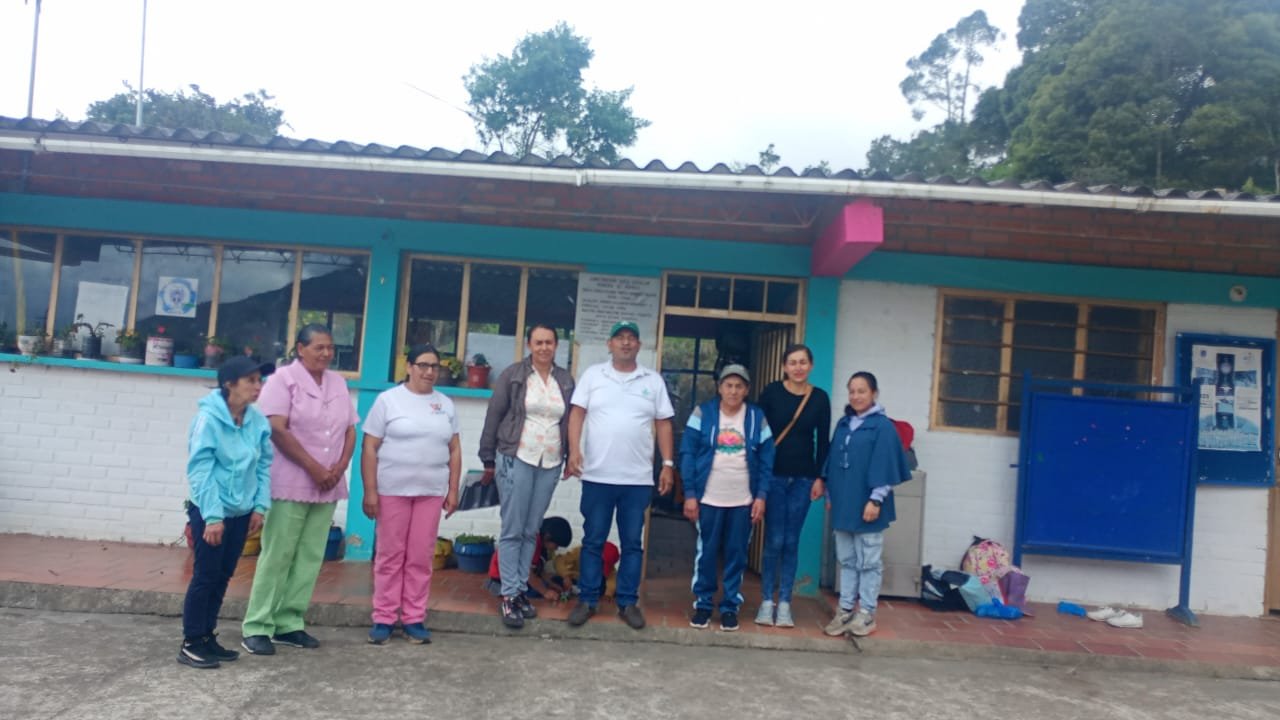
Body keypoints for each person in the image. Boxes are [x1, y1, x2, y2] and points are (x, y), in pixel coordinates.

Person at [241, 324, 358, 656]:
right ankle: (257, 625)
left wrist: (339, 467)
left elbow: (350, 429)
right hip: (291, 480)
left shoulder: (337, 382)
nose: (326, 353)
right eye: (319, 347)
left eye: (330, 347)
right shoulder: (282, 380)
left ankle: (289, 622)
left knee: (310, 555)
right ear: (300, 349)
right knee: (278, 554)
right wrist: (314, 468)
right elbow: (277, 428)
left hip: (329, 483)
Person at [566, 320, 675, 630]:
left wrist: (668, 464)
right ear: (609, 344)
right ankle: (588, 599)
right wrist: (573, 450)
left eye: (631, 338)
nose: (625, 342)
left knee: (632, 544)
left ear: (639, 345)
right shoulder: (593, 376)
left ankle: (627, 602)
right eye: (620, 338)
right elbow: (577, 414)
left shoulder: (652, 381)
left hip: (637, 480)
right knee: (593, 541)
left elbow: (664, 423)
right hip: (597, 476)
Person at [177, 356, 275, 669]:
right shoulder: (208, 419)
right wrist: (213, 517)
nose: (258, 387)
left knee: (222, 575)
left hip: (241, 512)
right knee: (205, 575)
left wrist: (259, 506)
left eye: (260, 381)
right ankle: (192, 642)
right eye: (251, 381)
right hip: (210, 512)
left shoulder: (257, 421)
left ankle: (208, 636)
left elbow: (264, 465)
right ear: (229, 384)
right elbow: (200, 470)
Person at [361, 344, 461, 645]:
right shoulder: (388, 401)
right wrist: (370, 491)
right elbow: (369, 447)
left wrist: (453, 489)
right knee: (390, 556)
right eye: (423, 365)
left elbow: (454, 449)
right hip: (392, 491)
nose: (429, 372)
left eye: (434, 366)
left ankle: (414, 618)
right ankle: (384, 617)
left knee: (420, 556)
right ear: (409, 367)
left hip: (430, 492)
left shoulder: (445, 404)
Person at [478, 324, 576, 630]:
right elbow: (494, 414)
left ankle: (519, 590)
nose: (544, 347)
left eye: (549, 342)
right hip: (516, 456)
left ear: (556, 346)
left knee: (531, 530)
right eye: (538, 342)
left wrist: (571, 455)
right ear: (529, 345)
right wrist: (488, 457)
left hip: (550, 461)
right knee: (513, 529)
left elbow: (570, 421)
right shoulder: (514, 375)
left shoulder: (564, 380)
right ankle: (508, 595)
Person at [679, 364, 774, 631]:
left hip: (743, 500)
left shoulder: (756, 417)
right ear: (719, 388)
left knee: (737, 554)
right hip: (709, 498)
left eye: (739, 386)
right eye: (728, 385)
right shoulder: (703, 413)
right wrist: (690, 494)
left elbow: (767, 458)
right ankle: (703, 604)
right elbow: (687, 453)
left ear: (746, 390)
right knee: (707, 553)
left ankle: (730, 606)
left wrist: (761, 496)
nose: (733, 391)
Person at [818, 371, 912, 638]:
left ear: (874, 393)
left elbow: (886, 464)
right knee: (847, 560)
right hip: (843, 504)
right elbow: (833, 461)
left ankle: (867, 613)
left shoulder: (882, 427)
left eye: (862, 391)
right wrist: (829, 495)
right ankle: (846, 610)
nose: (856, 396)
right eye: (852, 391)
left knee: (869, 561)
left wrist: (875, 499)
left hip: (868, 505)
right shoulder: (844, 423)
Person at [755, 343, 831, 627]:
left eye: (803, 362)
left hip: (803, 479)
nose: (798, 367)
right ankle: (766, 601)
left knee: (791, 541)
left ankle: (785, 602)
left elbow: (823, 441)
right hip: (773, 476)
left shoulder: (819, 398)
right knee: (774, 540)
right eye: (792, 362)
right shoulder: (772, 393)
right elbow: (758, 432)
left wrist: (821, 478)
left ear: (811, 366)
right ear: (784, 367)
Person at [485, 516, 574, 603]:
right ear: (547, 536)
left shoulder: (540, 543)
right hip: (502, 581)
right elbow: (528, 574)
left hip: (520, 576)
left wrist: (551, 584)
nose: (556, 549)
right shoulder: (531, 543)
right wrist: (545, 592)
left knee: (556, 580)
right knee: (535, 592)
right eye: (556, 545)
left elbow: (538, 570)